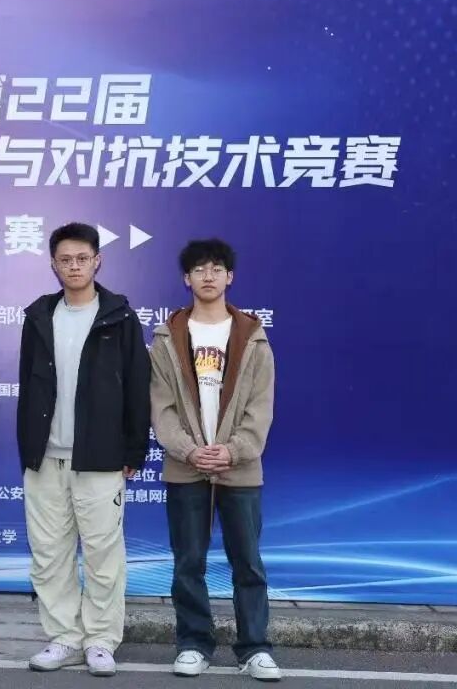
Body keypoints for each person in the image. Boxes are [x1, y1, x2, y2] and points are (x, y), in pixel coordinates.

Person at [17, 222, 151, 677]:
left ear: (97, 261)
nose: (74, 266)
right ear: (53, 265)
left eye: (82, 258)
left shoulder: (120, 317)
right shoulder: (39, 316)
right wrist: (28, 448)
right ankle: (64, 638)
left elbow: (137, 387)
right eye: (65, 260)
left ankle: (100, 641)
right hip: (46, 458)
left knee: (102, 556)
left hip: (100, 457)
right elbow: (28, 386)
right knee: (49, 554)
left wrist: (134, 450)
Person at [150, 238, 281, 681]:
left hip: (240, 470)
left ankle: (255, 648)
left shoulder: (253, 336)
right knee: (188, 561)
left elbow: (260, 407)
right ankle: (193, 644)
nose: (208, 276)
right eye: (199, 269)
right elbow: (162, 407)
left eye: (217, 268)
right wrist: (189, 450)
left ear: (230, 277)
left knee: (248, 562)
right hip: (185, 467)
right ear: (186, 279)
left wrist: (233, 450)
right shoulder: (167, 338)